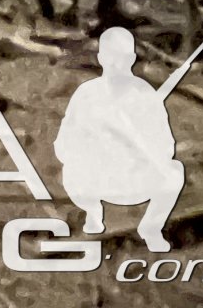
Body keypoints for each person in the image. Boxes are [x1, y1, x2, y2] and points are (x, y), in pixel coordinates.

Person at [56, 26, 187, 250]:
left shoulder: (145, 95)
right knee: (69, 172)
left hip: (134, 177)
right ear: (101, 58)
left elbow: (166, 145)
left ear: (132, 58)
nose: (117, 63)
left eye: (123, 57)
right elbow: (63, 143)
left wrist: (138, 145)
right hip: (96, 177)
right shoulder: (87, 94)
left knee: (174, 173)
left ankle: (151, 228)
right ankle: (94, 214)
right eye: (111, 57)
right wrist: (94, 146)